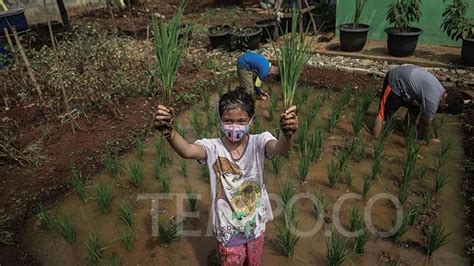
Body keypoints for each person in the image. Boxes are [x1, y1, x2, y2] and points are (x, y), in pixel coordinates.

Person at [154, 88, 298, 265]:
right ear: (220, 120)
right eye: (228, 121)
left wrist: (287, 133)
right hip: (227, 232)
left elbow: (279, 149)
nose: (234, 126)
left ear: (251, 121)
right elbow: (187, 151)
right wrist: (169, 132)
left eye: (241, 121)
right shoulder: (213, 147)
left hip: (255, 228)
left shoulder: (259, 142)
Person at [372, 64, 464, 142]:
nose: (443, 112)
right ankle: (374, 140)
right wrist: (426, 139)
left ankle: (405, 128)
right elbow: (424, 123)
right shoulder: (432, 101)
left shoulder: (441, 91)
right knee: (383, 115)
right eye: (446, 111)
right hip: (395, 80)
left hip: (407, 84)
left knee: (415, 108)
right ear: (446, 106)